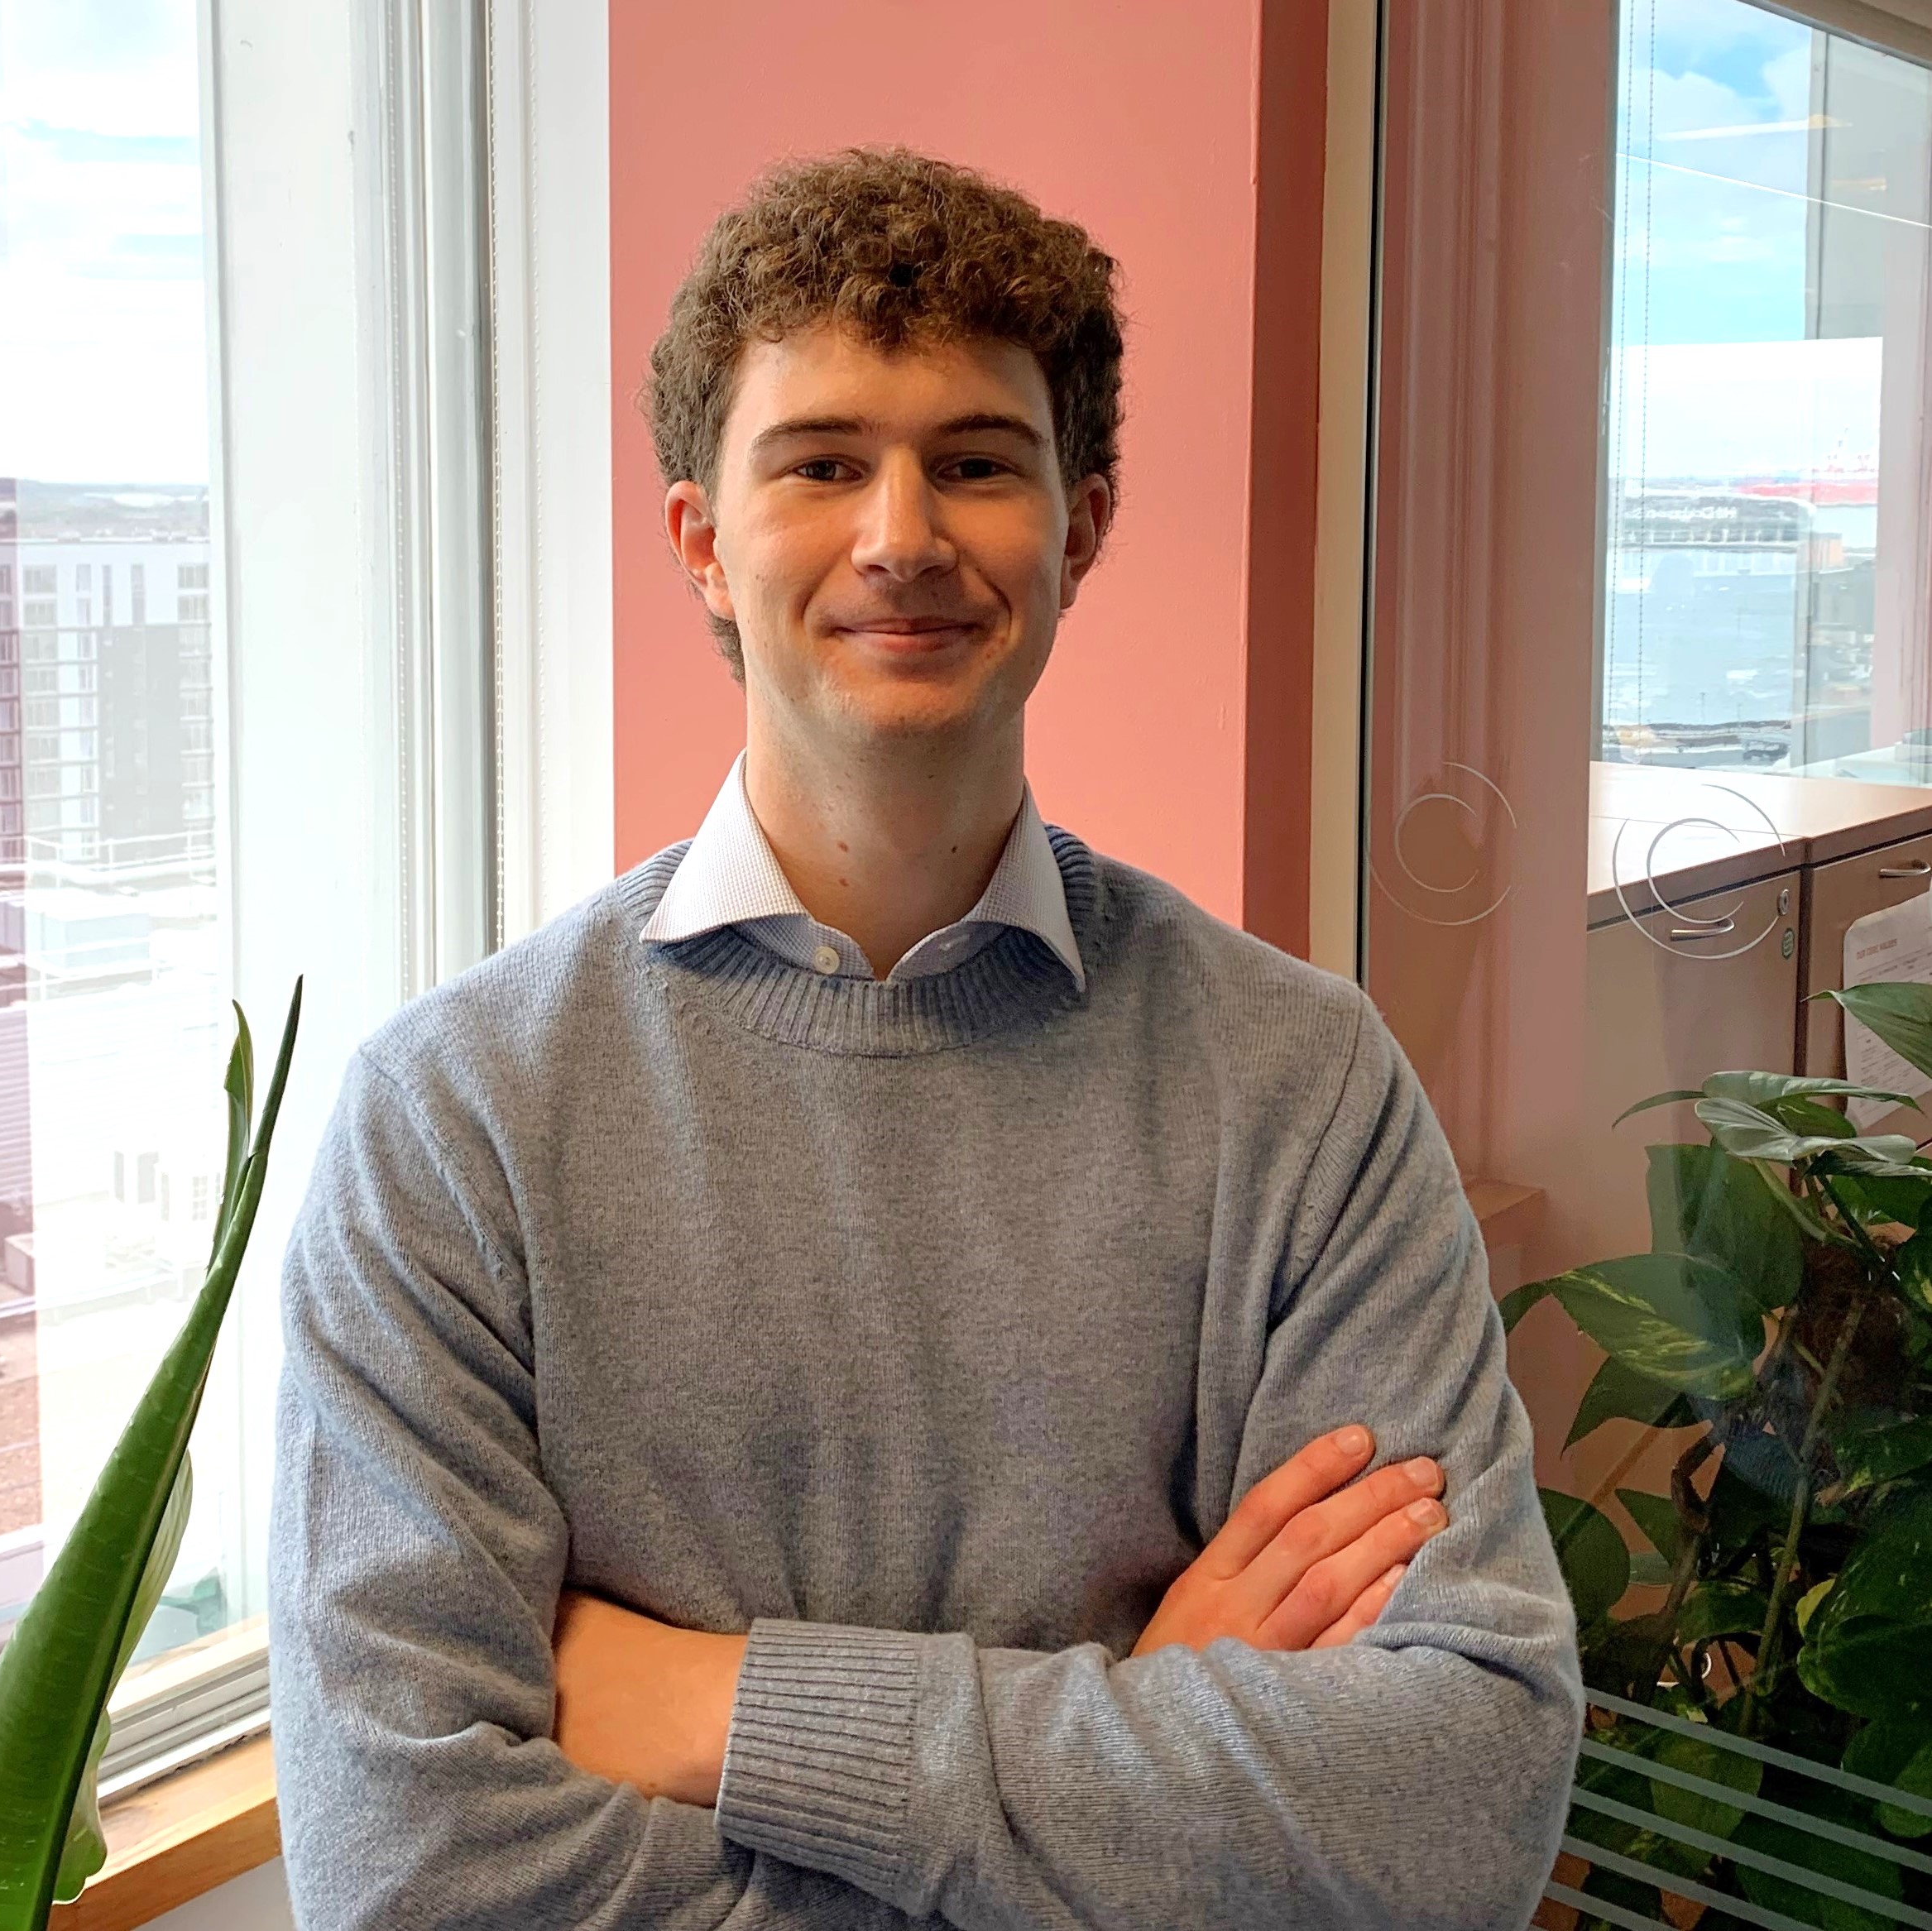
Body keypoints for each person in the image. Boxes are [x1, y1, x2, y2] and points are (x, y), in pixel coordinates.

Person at [268, 147, 1580, 1929]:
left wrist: (723, 1710)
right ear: (699, 544)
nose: (901, 536)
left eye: (974, 462)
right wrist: (1148, 1717)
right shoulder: (455, 1121)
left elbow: (1453, 1816)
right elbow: (410, 1882)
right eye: (819, 466)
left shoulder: (1299, 1087)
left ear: (1079, 524)